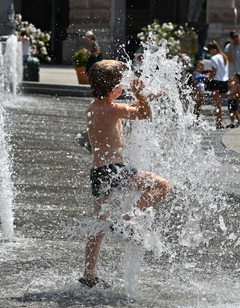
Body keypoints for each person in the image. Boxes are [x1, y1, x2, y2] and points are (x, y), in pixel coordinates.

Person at [79, 60, 173, 288]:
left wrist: (147, 96)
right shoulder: (114, 109)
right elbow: (144, 115)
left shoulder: (95, 106)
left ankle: (88, 276)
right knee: (163, 186)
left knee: (98, 225)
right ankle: (125, 221)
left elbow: (125, 109)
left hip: (98, 172)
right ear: (114, 89)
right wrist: (141, 96)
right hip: (115, 170)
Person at [206, 41, 229, 129]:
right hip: (224, 81)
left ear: (213, 49)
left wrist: (207, 77)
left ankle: (219, 121)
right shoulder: (224, 57)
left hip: (216, 82)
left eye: (210, 50)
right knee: (219, 103)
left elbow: (214, 72)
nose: (209, 52)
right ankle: (220, 120)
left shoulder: (214, 58)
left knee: (217, 104)